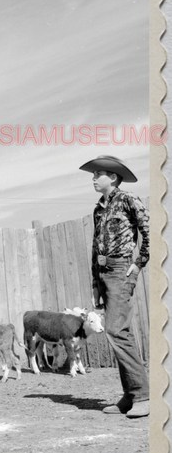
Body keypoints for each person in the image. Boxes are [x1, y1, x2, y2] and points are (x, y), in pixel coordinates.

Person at [79, 155, 149, 418]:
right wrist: (96, 282)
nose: (94, 178)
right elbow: (96, 245)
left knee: (116, 330)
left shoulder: (128, 199)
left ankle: (143, 395)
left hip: (122, 269)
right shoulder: (99, 208)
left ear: (114, 177)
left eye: (99, 174)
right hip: (105, 272)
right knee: (119, 332)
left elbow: (150, 230)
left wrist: (139, 263)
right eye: (93, 174)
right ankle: (131, 396)